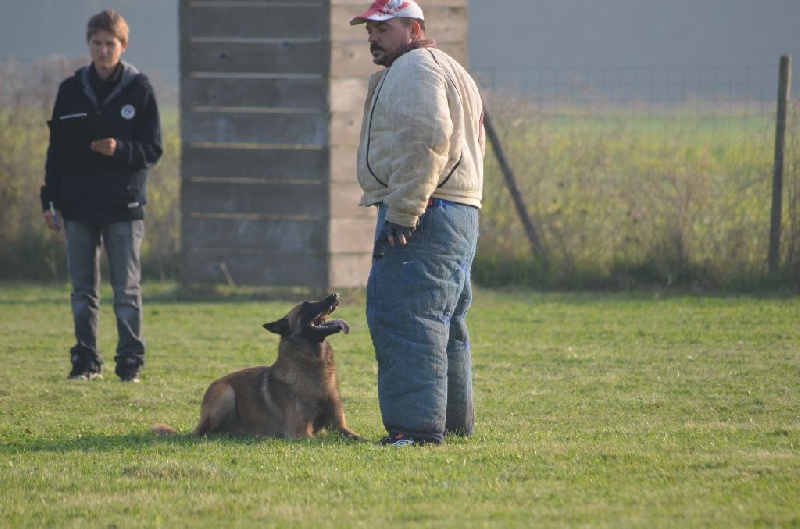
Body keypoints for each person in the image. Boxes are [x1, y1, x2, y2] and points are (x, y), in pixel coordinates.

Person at [351, 0, 485, 446]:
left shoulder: (413, 71)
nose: (372, 36)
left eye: (383, 28)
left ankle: (415, 430)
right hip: (460, 210)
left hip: (426, 208)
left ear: (413, 27)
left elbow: (425, 138)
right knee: (443, 321)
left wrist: (405, 210)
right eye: (369, 29)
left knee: (404, 316)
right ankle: (451, 424)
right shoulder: (452, 69)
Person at [40, 10, 163, 382]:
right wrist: (49, 199)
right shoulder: (70, 89)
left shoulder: (140, 90)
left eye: (110, 43)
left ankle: (129, 363)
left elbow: (153, 150)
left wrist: (120, 150)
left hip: (123, 208)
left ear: (123, 46)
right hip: (77, 206)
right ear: (89, 44)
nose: (103, 49)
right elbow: (56, 152)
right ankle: (85, 361)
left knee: (126, 290)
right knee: (82, 291)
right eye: (97, 43)